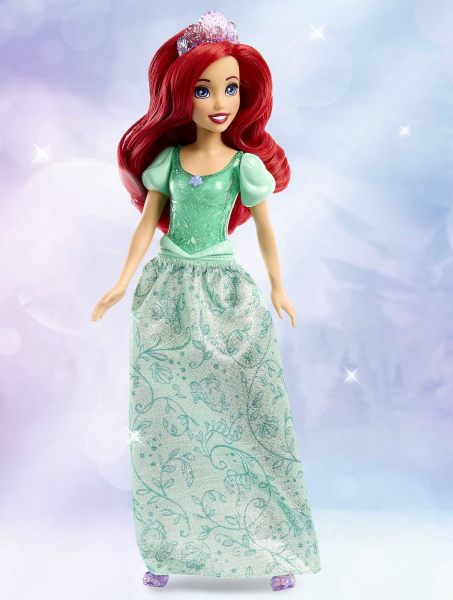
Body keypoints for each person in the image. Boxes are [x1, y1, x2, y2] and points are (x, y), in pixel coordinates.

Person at [92, 10, 321, 592]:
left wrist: (278, 286)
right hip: (167, 296)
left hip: (226, 299)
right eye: (203, 89)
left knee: (249, 418)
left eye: (230, 88)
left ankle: (275, 545)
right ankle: (169, 545)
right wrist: (121, 282)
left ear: (245, 95)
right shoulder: (168, 163)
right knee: (167, 424)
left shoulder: (245, 165)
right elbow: (147, 227)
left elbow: (266, 231)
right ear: (180, 96)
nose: (219, 101)